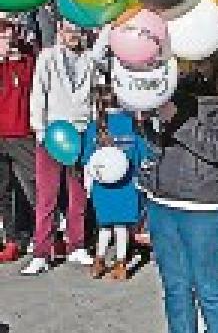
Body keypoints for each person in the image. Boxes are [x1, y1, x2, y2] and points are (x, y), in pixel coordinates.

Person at [139, 55, 218, 333]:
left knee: (210, 286)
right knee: (175, 288)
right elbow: (158, 146)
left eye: (198, 63)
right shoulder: (168, 93)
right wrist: (148, 121)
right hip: (163, 200)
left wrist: (175, 118)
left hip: (204, 205)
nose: (190, 69)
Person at [23, 19, 100, 275]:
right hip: (52, 133)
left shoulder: (89, 60)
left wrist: (92, 126)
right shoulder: (47, 57)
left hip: (80, 132)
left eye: (78, 30)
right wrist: (39, 129)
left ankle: (76, 244)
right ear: (59, 31)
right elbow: (38, 93)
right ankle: (41, 252)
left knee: (78, 193)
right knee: (47, 195)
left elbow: (92, 97)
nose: (74, 35)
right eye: (69, 30)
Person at [82, 85, 150, 281]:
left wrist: (88, 185)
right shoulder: (131, 123)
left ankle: (99, 261)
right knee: (121, 226)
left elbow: (87, 159)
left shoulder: (94, 127)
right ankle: (121, 264)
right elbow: (143, 155)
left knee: (104, 226)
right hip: (127, 184)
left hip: (102, 186)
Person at [0, 17, 37, 262]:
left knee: (33, 185)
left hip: (22, 133)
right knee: (2, 190)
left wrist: (16, 57)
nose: (6, 37)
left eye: (8, 31)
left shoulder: (27, 58)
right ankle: (11, 240)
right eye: (2, 33)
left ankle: (46, 234)